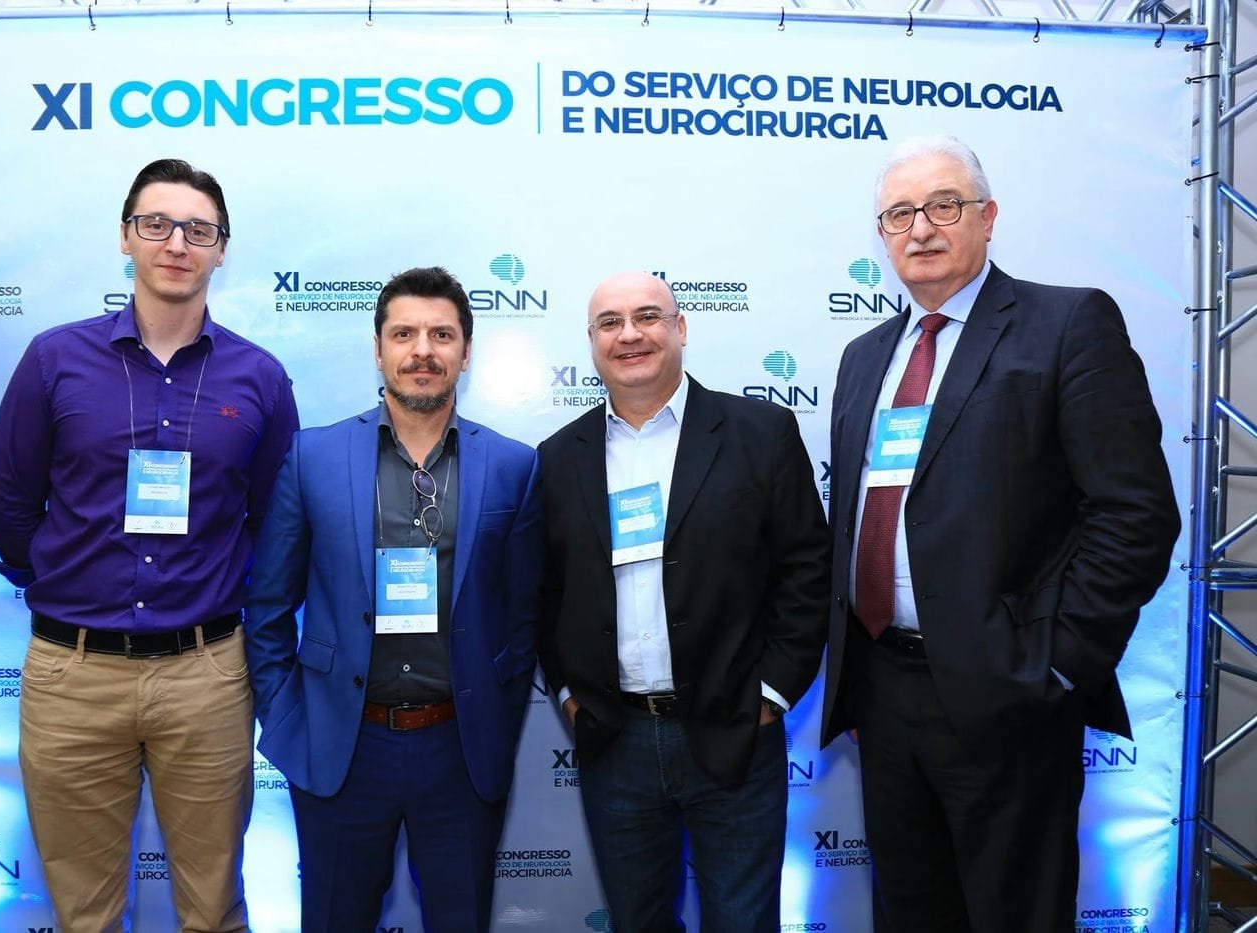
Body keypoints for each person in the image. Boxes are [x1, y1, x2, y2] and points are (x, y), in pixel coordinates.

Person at [820, 135, 1181, 931]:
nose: (921, 228)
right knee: (911, 913)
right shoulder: (864, 357)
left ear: (987, 218)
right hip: (883, 690)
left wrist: (1056, 664)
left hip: (1009, 691)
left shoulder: (1067, 323)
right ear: (881, 235)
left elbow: (1137, 512)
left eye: (943, 205)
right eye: (899, 214)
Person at [0, 158, 299, 932]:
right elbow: (10, 508)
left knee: (214, 907)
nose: (176, 243)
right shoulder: (54, 359)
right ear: (126, 237)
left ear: (222, 249)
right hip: (73, 675)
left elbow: (275, 524)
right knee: (85, 914)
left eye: (198, 230)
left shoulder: (260, 377)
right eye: (156, 224)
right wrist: (69, 577)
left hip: (206, 674)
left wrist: (215, 587)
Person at [243, 265, 543, 931]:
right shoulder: (313, 457)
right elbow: (267, 608)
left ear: (466, 351)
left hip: (460, 749)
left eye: (442, 335)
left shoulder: (514, 465)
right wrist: (288, 718)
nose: (422, 351)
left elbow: (524, 618)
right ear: (378, 349)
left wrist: (494, 716)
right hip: (340, 747)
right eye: (404, 334)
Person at [537, 271, 830, 932]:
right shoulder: (557, 459)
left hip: (735, 730)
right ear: (591, 341)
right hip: (615, 740)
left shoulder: (760, 432)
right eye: (610, 322)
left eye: (648, 316)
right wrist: (569, 696)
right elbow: (544, 593)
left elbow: (808, 569)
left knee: (743, 921)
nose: (630, 334)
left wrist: (771, 695)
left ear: (681, 328)